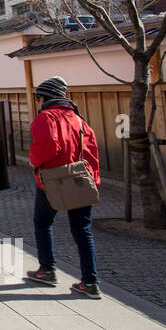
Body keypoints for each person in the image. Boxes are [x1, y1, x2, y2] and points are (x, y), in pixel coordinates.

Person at [24, 76, 103, 299]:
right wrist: (93, 181)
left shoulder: (45, 118)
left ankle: (47, 269)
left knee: (43, 223)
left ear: (44, 97)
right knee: (83, 231)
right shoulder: (80, 120)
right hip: (80, 180)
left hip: (53, 181)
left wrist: (33, 160)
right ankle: (90, 281)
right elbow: (92, 153)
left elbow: (47, 149)